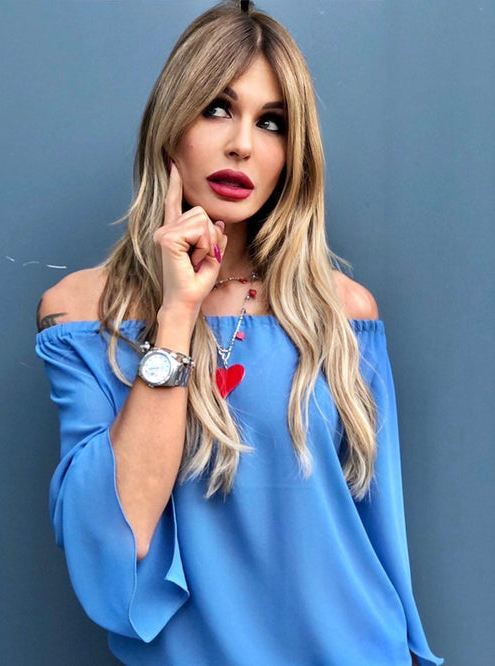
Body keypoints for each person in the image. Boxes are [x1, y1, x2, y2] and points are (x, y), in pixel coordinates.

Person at [35, 2, 444, 665]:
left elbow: (379, 525)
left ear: (292, 153)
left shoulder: (341, 312)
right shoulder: (82, 314)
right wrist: (177, 314)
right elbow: (112, 539)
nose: (243, 145)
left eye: (271, 122)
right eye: (217, 109)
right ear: (171, 125)